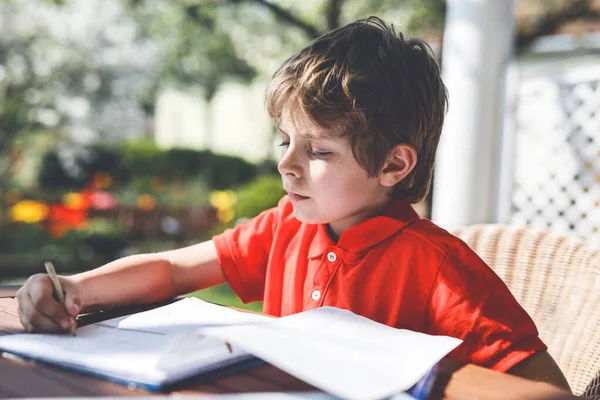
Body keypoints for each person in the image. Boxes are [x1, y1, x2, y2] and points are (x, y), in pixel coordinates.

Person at [17, 16, 570, 391]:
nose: (287, 165)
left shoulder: (439, 270)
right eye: (286, 141)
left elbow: (548, 394)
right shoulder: (287, 226)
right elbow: (169, 270)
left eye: (319, 149)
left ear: (394, 166)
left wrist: (407, 371)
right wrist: (76, 289)